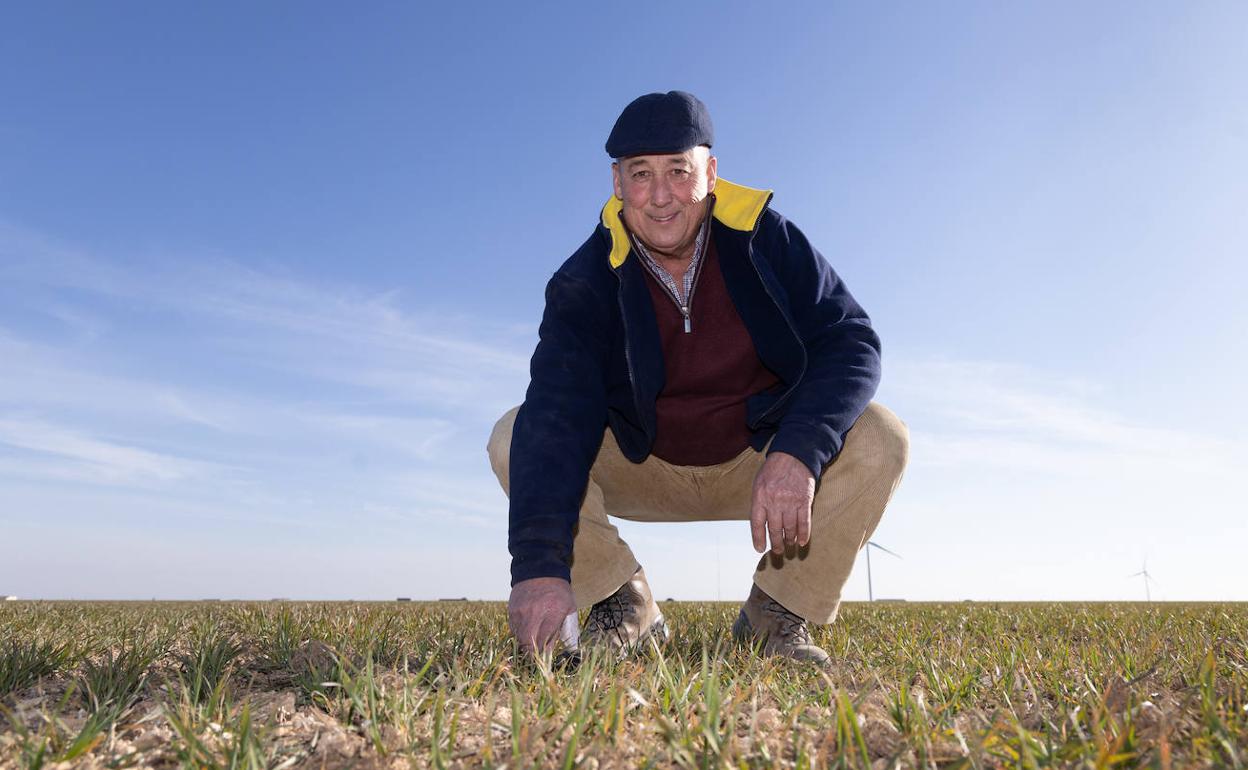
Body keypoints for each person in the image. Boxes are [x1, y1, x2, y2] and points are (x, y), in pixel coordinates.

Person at [487, 91, 909, 664]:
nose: (661, 197)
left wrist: (799, 450)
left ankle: (775, 613)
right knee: (518, 434)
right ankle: (622, 601)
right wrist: (537, 566)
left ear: (710, 174)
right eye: (641, 174)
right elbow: (560, 408)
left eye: (678, 172)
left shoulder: (768, 238)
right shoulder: (585, 279)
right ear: (617, 183)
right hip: (644, 464)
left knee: (881, 435)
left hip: (760, 460)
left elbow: (850, 343)